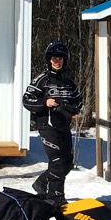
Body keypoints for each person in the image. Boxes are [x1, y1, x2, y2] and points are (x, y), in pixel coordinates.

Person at [22, 40, 83, 203]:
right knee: (57, 161)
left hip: (64, 127)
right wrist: (44, 103)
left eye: (61, 59)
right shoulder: (41, 80)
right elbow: (26, 100)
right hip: (47, 126)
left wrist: (74, 110)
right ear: (49, 60)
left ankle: (42, 183)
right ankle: (56, 197)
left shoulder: (69, 83)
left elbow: (79, 101)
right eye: (55, 58)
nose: (58, 62)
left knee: (67, 163)